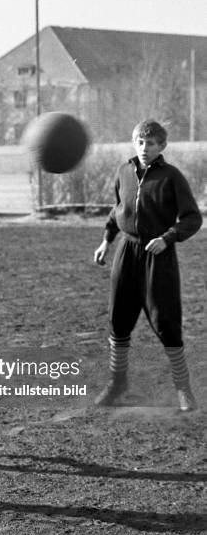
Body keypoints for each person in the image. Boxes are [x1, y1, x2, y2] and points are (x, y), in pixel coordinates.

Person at [93, 119, 202, 411]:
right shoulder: (123, 172)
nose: (144, 148)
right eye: (140, 142)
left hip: (159, 255)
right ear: (134, 143)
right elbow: (118, 210)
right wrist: (107, 240)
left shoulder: (172, 177)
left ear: (161, 146)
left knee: (166, 321)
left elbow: (193, 218)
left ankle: (183, 389)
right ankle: (117, 385)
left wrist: (168, 238)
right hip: (126, 252)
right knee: (119, 320)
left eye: (151, 143)